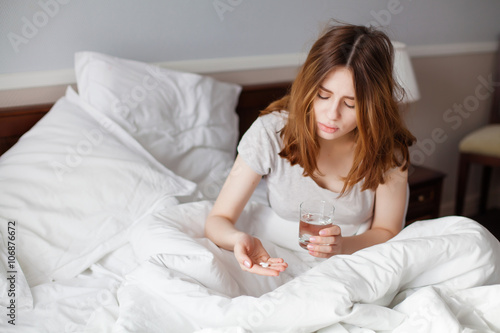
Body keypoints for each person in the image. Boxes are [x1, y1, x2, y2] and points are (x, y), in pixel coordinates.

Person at [204, 23, 416, 277]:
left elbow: (387, 231)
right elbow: (218, 220)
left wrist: (342, 246)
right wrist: (238, 240)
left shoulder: (387, 151)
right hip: (277, 256)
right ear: (307, 87)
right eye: (323, 96)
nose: (332, 114)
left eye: (350, 104)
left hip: (351, 261)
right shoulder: (271, 132)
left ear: (372, 107)